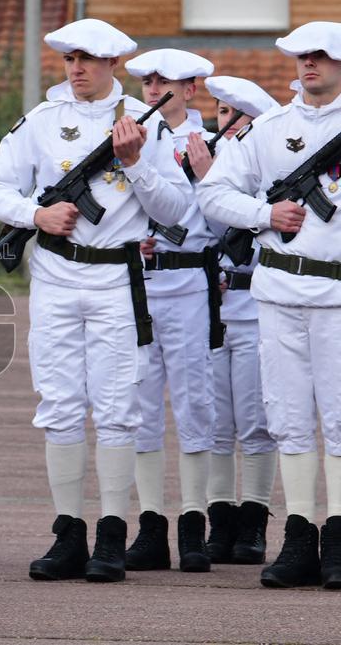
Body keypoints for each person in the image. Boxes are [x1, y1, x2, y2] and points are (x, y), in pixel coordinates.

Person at [0, 18, 192, 583]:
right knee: (59, 404)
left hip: (115, 282)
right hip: (54, 276)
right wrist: (36, 215)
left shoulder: (145, 128)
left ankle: (111, 536)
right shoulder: (43, 121)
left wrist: (136, 164)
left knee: (119, 408)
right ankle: (68, 532)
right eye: (70, 59)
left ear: (113, 65)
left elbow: (176, 211)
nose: (76, 69)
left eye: (88, 60)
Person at [197, 21, 341, 589]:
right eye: (304, 57)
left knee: (339, 420)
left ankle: (337, 539)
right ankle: (300, 536)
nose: (311, 66)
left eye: (323, 58)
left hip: (338, 295)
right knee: (287, 419)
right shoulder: (270, 130)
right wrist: (265, 215)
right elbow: (214, 192)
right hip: (278, 291)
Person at [121, 49, 219, 573]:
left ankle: (194, 524)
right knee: (139, 406)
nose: (154, 89)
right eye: (148, 81)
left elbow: (229, 220)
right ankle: (151, 525)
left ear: (191, 89)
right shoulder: (126, 138)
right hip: (139, 283)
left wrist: (206, 179)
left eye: (166, 82)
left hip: (188, 281)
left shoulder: (213, 145)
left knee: (194, 403)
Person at [185, 76, 279, 566]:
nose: (223, 124)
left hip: (257, 307)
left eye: (231, 115)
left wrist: (209, 182)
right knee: (216, 421)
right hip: (211, 308)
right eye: (219, 114)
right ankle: (219, 520)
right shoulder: (208, 167)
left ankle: (255, 520)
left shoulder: (266, 167)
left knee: (258, 422)